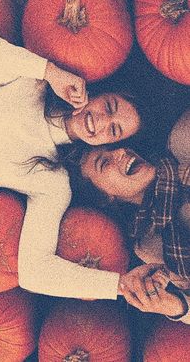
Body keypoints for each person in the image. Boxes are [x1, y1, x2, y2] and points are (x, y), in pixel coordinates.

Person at [0, 27, 144, 300]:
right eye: (110, 107)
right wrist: (48, 71)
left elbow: (35, 272)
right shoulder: (33, 83)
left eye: (113, 131)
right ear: (101, 94)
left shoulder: (52, 181)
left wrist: (119, 285)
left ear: (107, 145)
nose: (102, 121)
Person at [79, 110, 190, 323]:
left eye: (114, 146)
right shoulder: (150, 245)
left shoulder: (182, 140)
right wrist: (175, 305)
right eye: (104, 162)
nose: (120, 151)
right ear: (104, 197)